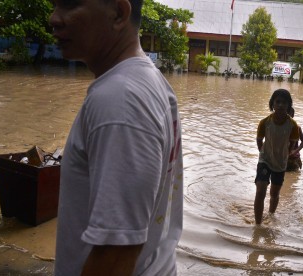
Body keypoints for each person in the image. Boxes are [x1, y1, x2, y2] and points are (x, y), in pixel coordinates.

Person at [50, 1, 183, 275]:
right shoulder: (147, 81)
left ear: (119, 13)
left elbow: (116, 254)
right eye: (55, 5)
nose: (54, 18)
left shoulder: (120, 99)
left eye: (69, 4)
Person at [254, 89, 299, 225]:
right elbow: (259, 140)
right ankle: (258, 224)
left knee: (274, 193)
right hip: (265, 160)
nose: (280, 105)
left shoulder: (293, 125)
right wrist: (262, 152)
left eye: (284, 103)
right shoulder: (264, 122)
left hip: (281, 162)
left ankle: (271, 216)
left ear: (288, 105)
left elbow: (292, 143)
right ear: (272, 104)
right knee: (260, 191)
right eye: (277, 102)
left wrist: (287, 153)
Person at [286, 107, 303, 171]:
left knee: (294, 176)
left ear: (293, 115)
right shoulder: (278, 128)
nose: (288, 116)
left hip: (294, 158)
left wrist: (296, 151)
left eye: (290, 114)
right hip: (282, 158)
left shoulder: (297, 128)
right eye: (286, 113)